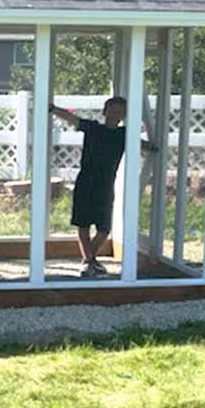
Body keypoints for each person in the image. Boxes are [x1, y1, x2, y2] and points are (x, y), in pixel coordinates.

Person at [50, 97, 139, 277]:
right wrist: (52, 108)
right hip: (85, 181)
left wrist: (154, 147)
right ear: (105, 112)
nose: (115, 114)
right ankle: (90, 262)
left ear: (124, 115)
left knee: (104, 227)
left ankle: (88, 261)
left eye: (120, 112)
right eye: (112, 110)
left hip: (106, 184)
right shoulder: (93, 128)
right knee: (82, 224)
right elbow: (72, 119)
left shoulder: (125, 134)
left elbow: (141, 144)